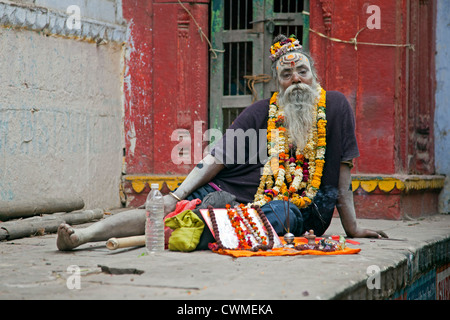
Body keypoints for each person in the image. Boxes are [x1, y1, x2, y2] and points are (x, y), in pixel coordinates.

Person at [57, 34, 387, 251]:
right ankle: (84, 236)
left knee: (281, 214)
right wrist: (176, 195)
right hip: (225, 198)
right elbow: (215, 157)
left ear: (314, 75)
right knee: (160, 207)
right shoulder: (261, 111)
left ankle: (169, 235)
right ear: (277, 83)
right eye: (287, 75)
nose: (296, 80)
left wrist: (353, 228)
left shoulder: (336, 107)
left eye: (302, 71)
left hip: (296, 212)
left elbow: (342, 179)